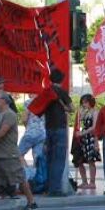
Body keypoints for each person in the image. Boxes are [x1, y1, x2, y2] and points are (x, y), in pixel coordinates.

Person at [42, 68, 73, 196]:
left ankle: (49, 187)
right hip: (59, 127)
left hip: (48, 127)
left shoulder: (46, 92)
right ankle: (55, 189)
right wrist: (65, 108)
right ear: (62, 79)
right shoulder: (61, 92)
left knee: (49, 159)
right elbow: (71, 108)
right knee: (59, 159)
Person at [19, 99, 47, 193]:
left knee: (18, 154)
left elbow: (24, 118)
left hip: (31, 132)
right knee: (37, 157)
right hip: (42, 133)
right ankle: (37, 178)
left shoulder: (28, 102)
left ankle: (29, 174)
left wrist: (27, 127)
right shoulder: (44, 101)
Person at [73, 94, 100, 190]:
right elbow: (79, 121)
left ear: (90, 102)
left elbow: (94, 127)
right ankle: (84, 181)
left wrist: (83, 132)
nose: (84, 104)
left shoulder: (95, 112)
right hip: (83, 138)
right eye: (83, 102)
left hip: (91, 138)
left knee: (91, 160)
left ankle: (92, 182)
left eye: (86, 102)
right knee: (80, 159)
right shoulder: (85, 112)